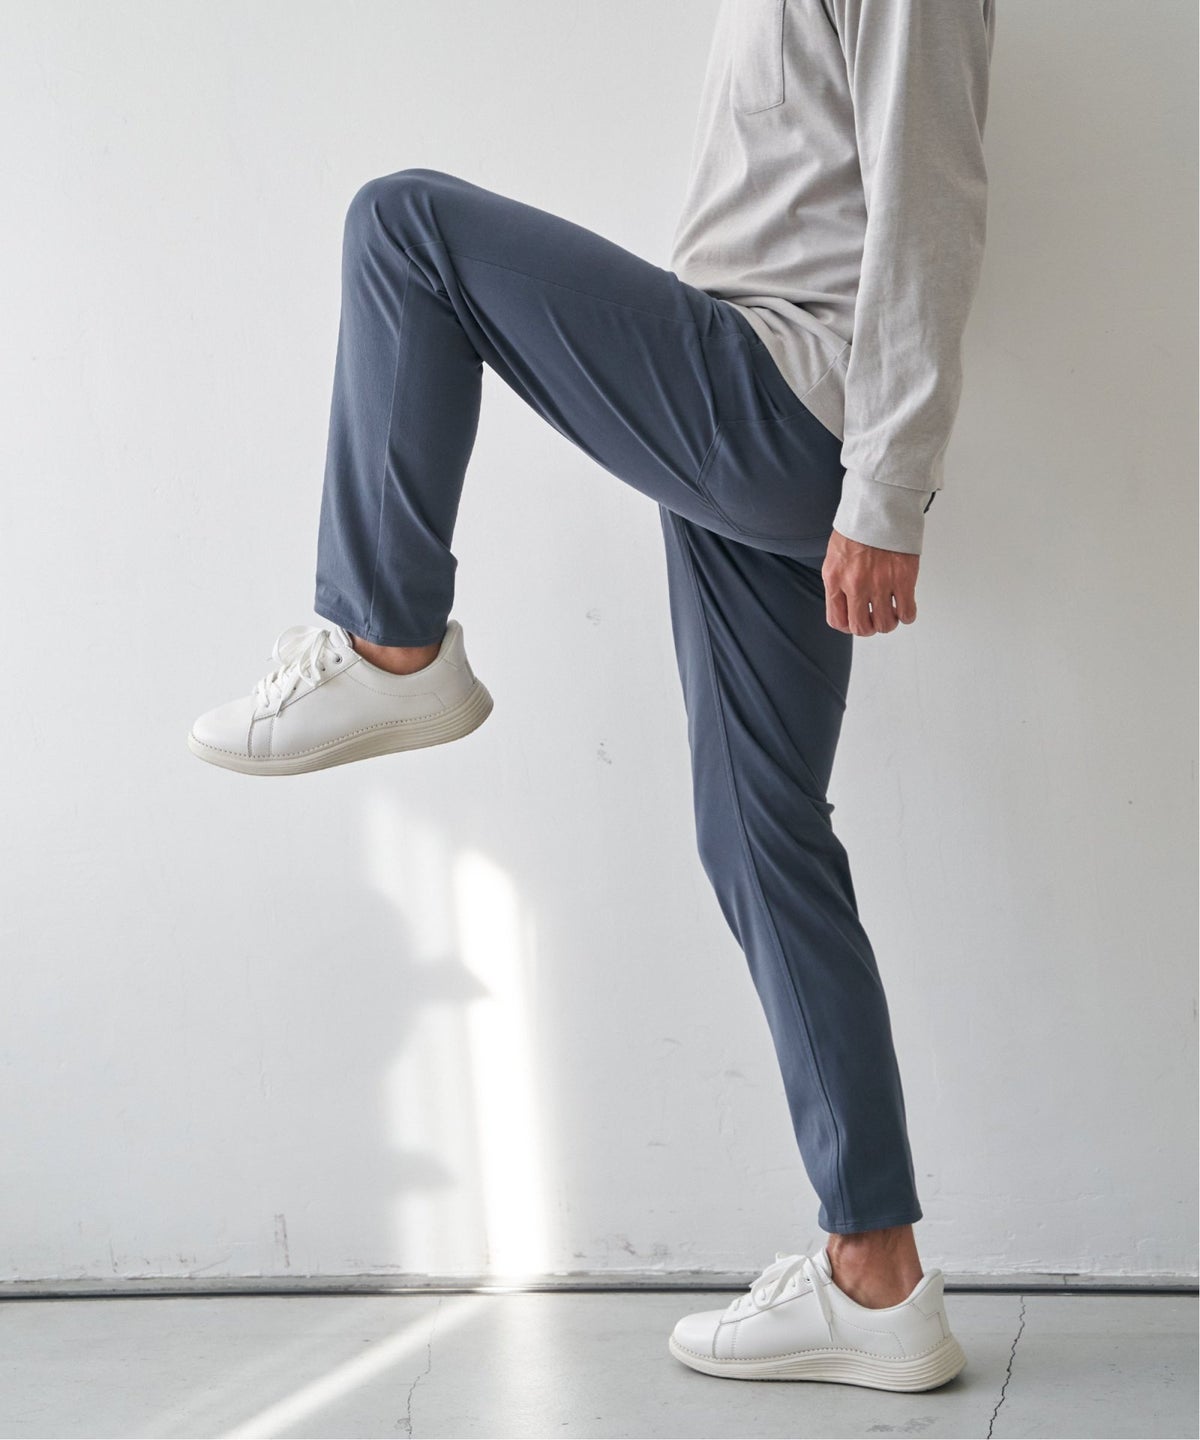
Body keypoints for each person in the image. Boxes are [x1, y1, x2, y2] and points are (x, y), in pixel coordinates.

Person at [189, 0, 995, 1393]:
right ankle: (878, 1278)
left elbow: (934, 207)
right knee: (758, 837)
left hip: (779, 398)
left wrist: (888, 492)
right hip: (747, 400)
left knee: (406, 227)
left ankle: (390, 644)